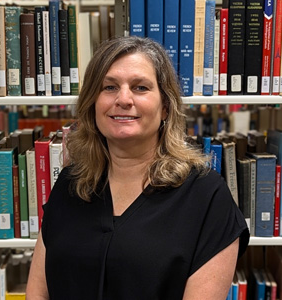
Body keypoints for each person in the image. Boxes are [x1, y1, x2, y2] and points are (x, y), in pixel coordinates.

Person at [26, 36, 249, 300]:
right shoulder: (70, 183)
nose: (123, 99)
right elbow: (37, 293)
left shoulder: (207, 196)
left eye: (140, 87)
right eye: (109, 87)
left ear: (165, 106)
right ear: (92, 104)